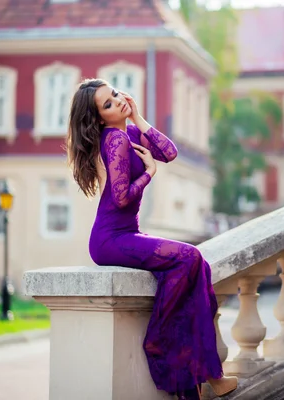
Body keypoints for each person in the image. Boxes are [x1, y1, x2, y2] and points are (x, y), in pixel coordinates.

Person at [67, 78, 238, 400]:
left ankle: (200, 383)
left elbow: (169, 152)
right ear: (99, 118)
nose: (117, 101)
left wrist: (137, 117)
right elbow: (119, 198)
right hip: (111, 239)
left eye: (115, 94)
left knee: (193, 270)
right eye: (107, 104)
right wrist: (148, 175)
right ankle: (159, 340)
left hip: (125, 234)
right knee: (189, 258)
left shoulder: (128, 133)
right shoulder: (114, 140)